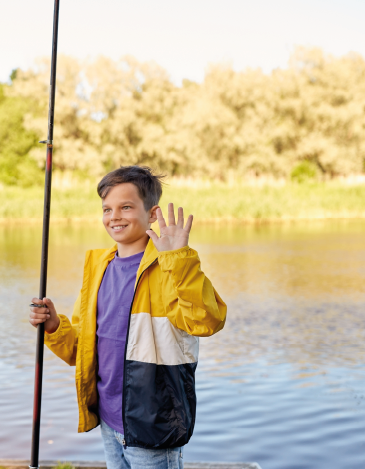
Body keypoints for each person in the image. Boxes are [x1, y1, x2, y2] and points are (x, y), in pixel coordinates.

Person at [29, 166, 227, 469]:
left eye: (126, 207)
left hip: (153, 424)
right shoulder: (99, 269)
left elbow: (206, 320)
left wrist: (180, 259)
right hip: (108, 420)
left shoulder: (170, 268)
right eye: (107, 208)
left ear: (152, 214)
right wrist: (55, 326)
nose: (114, 216)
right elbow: (82, 349)